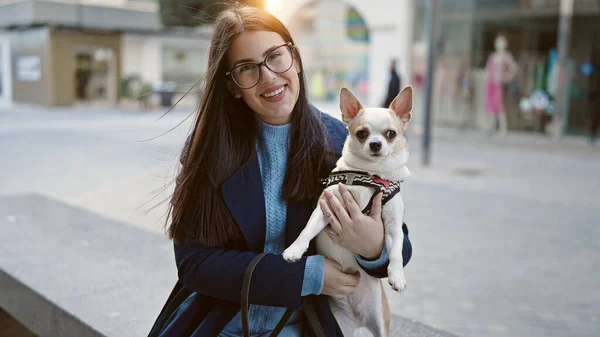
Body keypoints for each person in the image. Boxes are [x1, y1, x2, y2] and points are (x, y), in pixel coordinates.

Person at [148, 4, 412, 337]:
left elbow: (399, 246)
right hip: (218, 320)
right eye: (247, 68)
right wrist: (306, 276)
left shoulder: (342, 144)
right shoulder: (209, 149)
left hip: (304, 324)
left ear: (296, 60)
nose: (269, 76)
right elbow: (194, 263)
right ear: (231, 85)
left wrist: (372, 246)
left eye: (276, 56)